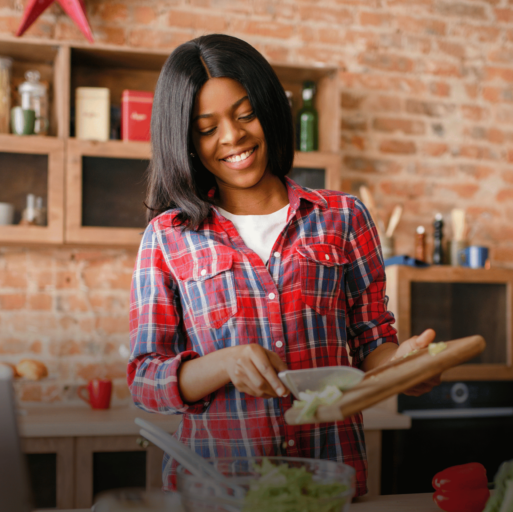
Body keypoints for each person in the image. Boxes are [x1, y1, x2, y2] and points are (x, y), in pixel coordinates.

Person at [127, 33, 439, 497]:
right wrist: (224, 364)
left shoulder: (343, 216)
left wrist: (408, 369)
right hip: (218, 493)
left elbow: (373, 344)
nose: (233, 137)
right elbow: (145, 381)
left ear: (269, 109)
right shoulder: (169, 236)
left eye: (245, 113)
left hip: (329, 482)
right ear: (186, 139)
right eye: (207, 127)